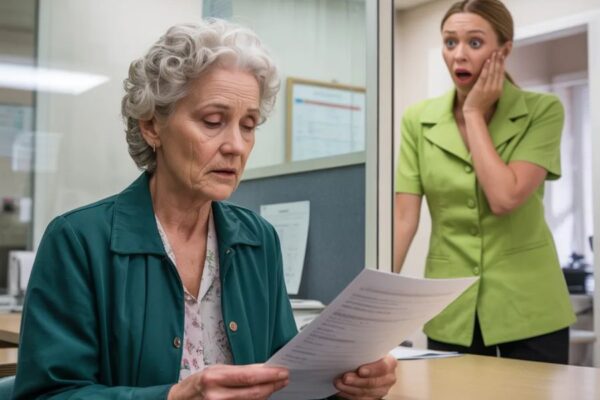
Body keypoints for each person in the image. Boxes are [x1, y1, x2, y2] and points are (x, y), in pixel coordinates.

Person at [14, 19, 397, 399]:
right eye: (213, 121)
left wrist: (343, 387)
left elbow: (287, 381)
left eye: (248, 126)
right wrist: (173, 397)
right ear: (152, 126)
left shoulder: (259, 239)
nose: (236, 146)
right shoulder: (77, 241)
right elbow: (47, 394)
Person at [394, 0, 575, 364]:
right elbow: (403, 218)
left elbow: (504, 198)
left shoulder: (542, 111)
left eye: (474, 43)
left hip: (531, 307)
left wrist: (473, 112)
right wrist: (374, 303)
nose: (459, 54)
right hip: (450, 308)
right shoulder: (418, 120)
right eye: (450, 42)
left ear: (504, 50)